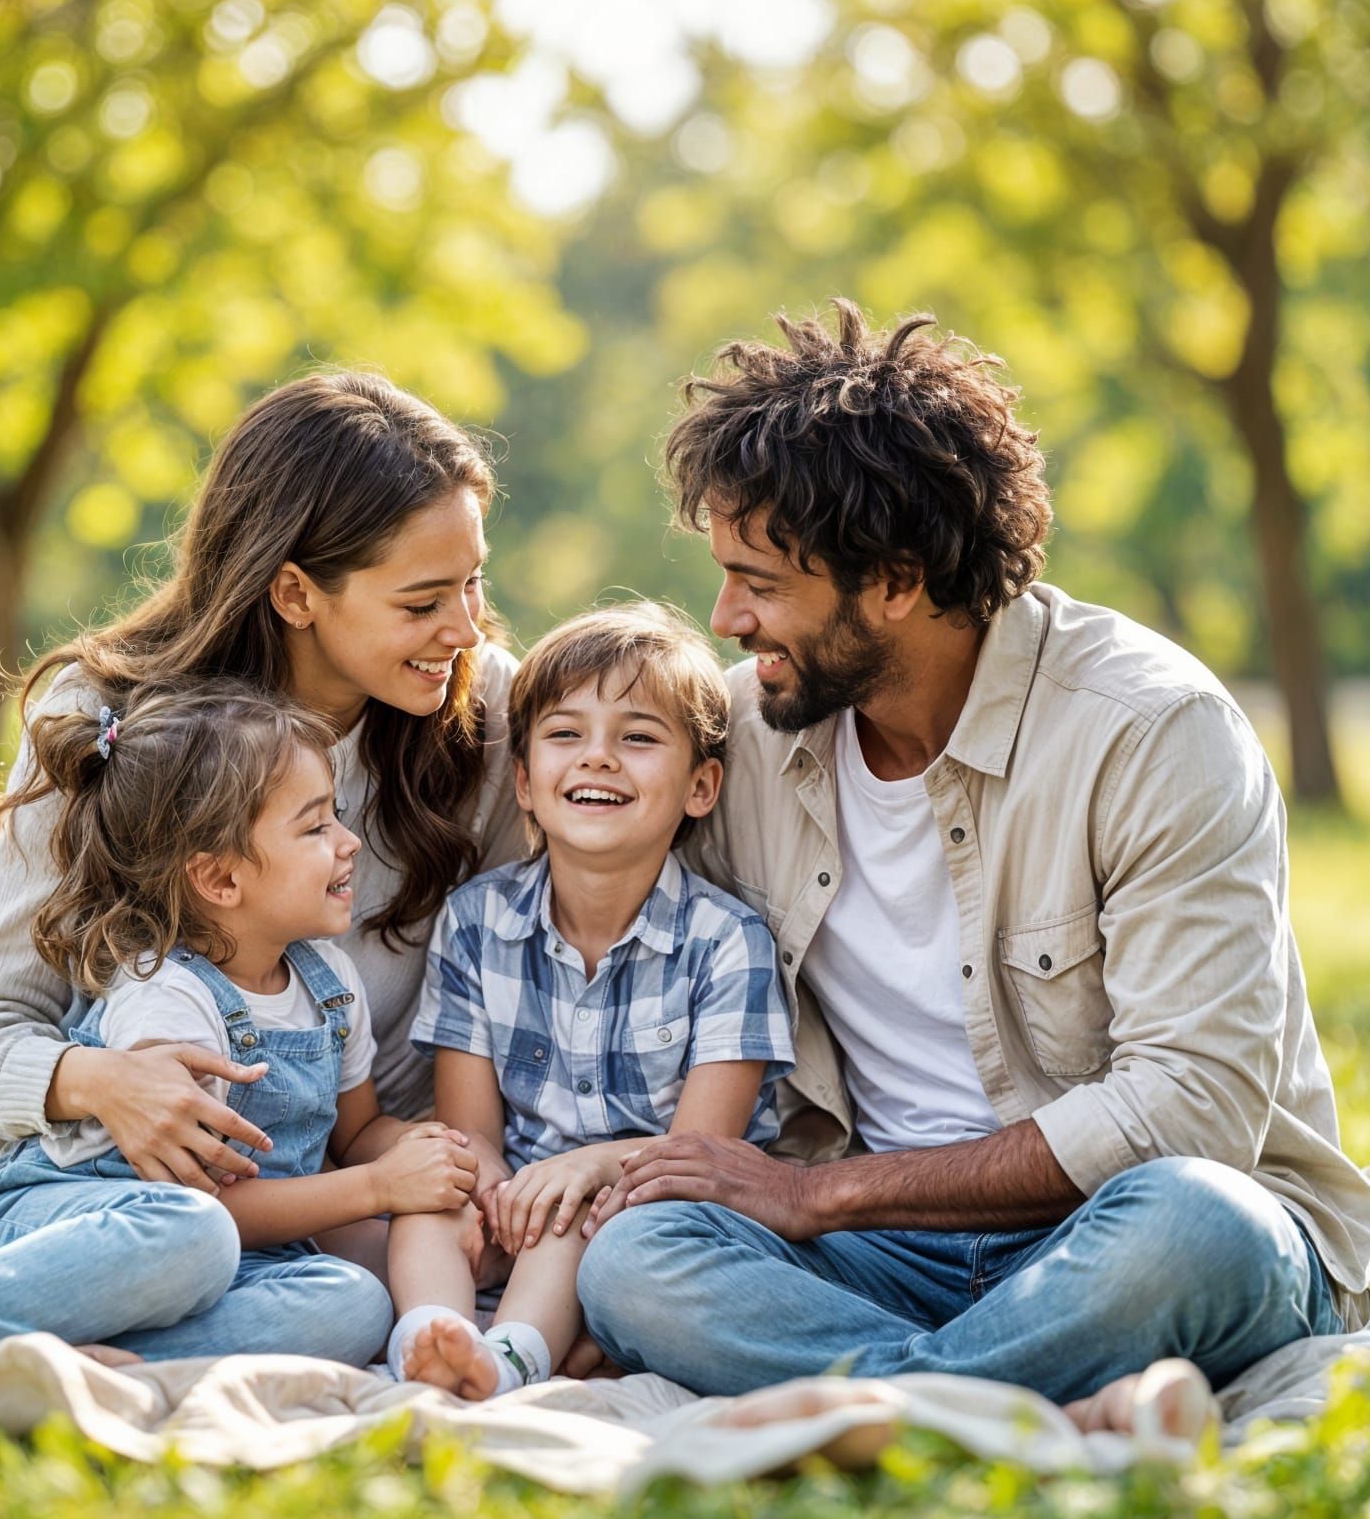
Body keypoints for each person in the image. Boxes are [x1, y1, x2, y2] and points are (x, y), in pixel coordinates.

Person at [576, 303, 1370, 1426]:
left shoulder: (1150, 730)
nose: (727, 617)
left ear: (895, 579)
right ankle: (1007, 1401)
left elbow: (1193, 1109)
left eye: (760, 582)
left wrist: (816, 1194)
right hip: (885, 1259)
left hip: (1122, 1230)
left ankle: (875, 1402)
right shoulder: (748, 741)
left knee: (1203, 1224)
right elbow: (561, 779)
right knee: (636, 1257)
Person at [0, 371, 526, 1312]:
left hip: (326, 1216)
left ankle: (102, 1340)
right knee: (189, 1244)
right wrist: (103, 1081)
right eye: (421, 603)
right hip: (88, 1198)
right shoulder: (108, 720)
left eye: (473, 583)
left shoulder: (486, 714)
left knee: (353, 1308)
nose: (465, 629)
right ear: (294, 592)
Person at [0, 680, 481, 1367]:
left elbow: (356, 1133)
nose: (349, 843)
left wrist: (432, 1153)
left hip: (224, 1248)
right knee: (195, 1233)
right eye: (316, 826)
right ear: (222, 881)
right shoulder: (167, 997)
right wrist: (377, 1189)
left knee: (355, 1302)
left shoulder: (330, 985)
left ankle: (65, 1349)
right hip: (69, 1224)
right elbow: (205, 1207)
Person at [384, 604, 796, 1398]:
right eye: (566, 735)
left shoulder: (727, 943)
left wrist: (583, 1171)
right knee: (431, 1198)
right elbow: (472, 1133)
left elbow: (700, 1156)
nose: (598, 758)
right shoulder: (476, 921)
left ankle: (506, 1365)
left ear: (701, 786)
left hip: (651, 1207)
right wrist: (498, 1195)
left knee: (582, 1222)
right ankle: (431, 1337)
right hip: (518, 1194)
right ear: (525, 783)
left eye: (638, 738)